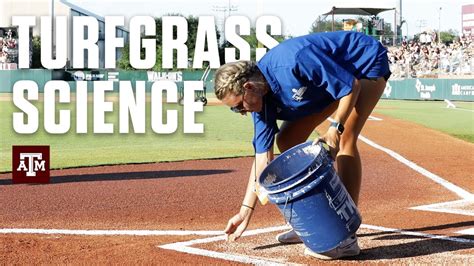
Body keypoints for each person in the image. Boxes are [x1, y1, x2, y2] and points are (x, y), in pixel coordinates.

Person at [214, 31, 390, 260]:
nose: (240, 113)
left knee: (345, 138)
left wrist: (334, 128)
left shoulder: (295, 60)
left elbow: (351, 86)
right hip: (329, 82)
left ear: (248, 87)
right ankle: (312, 219)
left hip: (363, 63)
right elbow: (262, 161)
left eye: (238, 106)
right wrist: (245, 211)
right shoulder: (261, 103)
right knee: (286, 140)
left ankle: (344, 231)